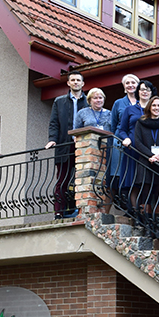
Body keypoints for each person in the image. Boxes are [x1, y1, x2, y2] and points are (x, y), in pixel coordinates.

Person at [46, 71, 86, 218]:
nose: (76, 82)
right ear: (68, 83)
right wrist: (53, 139)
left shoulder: (88, 102)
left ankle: (81, 211)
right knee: (62, 179)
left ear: (83, 83)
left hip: (83, 145)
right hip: (64, 144)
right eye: (73, 80)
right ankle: (59, 212)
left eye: (78, 80)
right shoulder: (59, 101)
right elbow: (54, 123)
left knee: (82, 178)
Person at [128, 95, 159, 218]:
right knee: (145, 192)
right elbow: (138, 142)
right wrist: (150, 155)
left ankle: (156, 223)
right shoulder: (140, 122)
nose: (156, 108)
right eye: (154, 105)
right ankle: (144, 220)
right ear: (149, 107)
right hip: (145, 161)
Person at [116, 79, 154, 195]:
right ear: (138, 92)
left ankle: (145, 205)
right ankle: (134, 206)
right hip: (132, 148)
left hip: (148, 149)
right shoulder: (129, 109)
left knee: (147, 180)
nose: (145, 92)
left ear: (151, 93)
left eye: (148, 90)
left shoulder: (155, 109)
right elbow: (122, 129)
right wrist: (126, 138)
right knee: (132, 180)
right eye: (142, 89)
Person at [107, 74, 139, 192]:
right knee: (118, 171)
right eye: (127, 83)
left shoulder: (143, 102)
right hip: (120, 140)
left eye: (133, 82)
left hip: (137, 139)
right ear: (124, 86)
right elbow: (113, 124)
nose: (130, 85)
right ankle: (118, 195)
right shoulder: (118, 103)